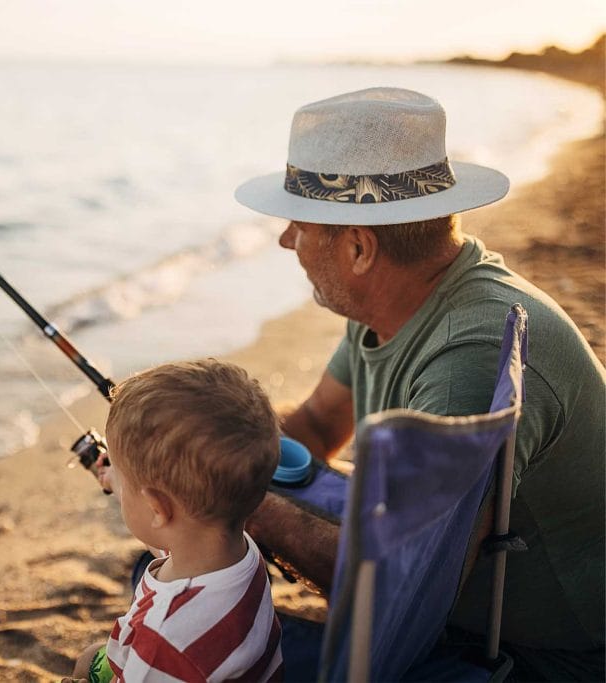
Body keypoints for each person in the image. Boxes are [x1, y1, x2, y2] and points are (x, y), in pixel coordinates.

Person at [233, 86, 605, 681]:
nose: (285, 242)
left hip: (545, 657)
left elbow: (402, 583)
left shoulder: (473, 353)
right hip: (463, 617)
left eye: (298, 225)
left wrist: (231, 505)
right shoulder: (397, 300)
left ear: (358, 247)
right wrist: (187, 442)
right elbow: (316, 428)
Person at [69, 359, 285, 683]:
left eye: (121, 476)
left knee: (86, 662)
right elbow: (168, 538)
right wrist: (121, 482)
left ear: (158, 509)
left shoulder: (164, 645)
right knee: (91, 657)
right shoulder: (237, 551)